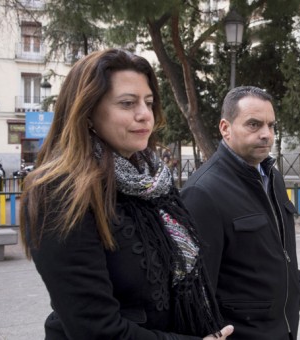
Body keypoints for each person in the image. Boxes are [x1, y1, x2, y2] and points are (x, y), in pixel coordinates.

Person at [19, 49, 233, 340]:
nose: (145, 115)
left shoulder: (154, 181)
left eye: (148, 102)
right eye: (127, 103)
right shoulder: (60, 192)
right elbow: (94, 329)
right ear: (88, 112)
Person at [181, 86, 300, 340]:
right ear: (225, 129)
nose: (266, 135)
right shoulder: (202, 192)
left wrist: (297, 287)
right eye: (254, 125)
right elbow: (196, 291)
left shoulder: (273, 177)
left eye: (271, 125)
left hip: (286, 325)